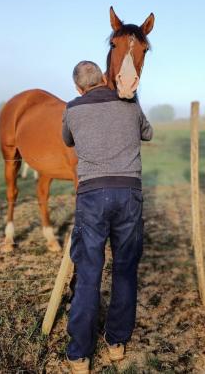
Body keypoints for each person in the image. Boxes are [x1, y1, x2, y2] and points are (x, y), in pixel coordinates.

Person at [62, 60, 153, 373]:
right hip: (129, 193)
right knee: (125, 269)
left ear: (77, 87)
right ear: (104, 78)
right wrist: (132, 98)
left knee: (88, 273)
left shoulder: (72, 109)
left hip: (91, 195)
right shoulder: (129, 106)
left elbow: (68, 140)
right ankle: (116, 343)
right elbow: (148, 133)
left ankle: (79, 355)